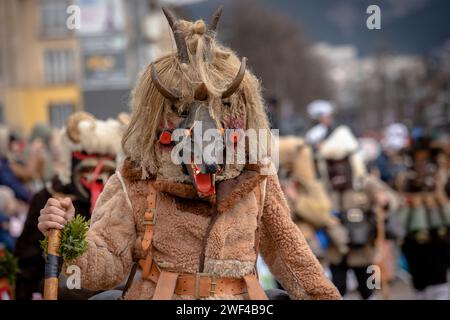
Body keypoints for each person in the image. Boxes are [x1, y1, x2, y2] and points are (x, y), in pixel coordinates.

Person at [36, 7, 340, 300]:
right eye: (181, 109)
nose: (201, 126)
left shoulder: (255, 175)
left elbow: (292, 259)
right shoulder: (137, 177)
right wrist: (69, 236)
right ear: (158, 115)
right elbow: (101, 270)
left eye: (219, 108)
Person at [14, 112, 127, 300]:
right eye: (89, 169)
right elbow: (26, 264)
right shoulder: (49, 198)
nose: (97, 177)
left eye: (105, 170)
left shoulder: (125, 201)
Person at [316, 125, 399, 299]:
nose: (337, 168)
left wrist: (384, 200)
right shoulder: (324, 188)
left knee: (369, 288)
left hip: (365, 251)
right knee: (337, 290)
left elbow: (392, 199)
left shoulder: (365, 182)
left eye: (342, 161)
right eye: (332, 163)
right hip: (336, 251)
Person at [396, 134, 450, 299]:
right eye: (417, 159)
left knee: (439, 279)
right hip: (413, 239)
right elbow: (398, 207)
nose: (421, 164)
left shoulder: (441, 177)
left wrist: (437, 192)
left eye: (425, 159)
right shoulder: (405, 179)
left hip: (438, 237)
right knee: (419, 280)